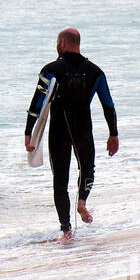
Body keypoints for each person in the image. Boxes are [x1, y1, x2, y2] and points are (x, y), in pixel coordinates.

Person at [24, 27, 118, 235]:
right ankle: (82, 201)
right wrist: (113, 133)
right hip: (83, 128)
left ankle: (66, 229)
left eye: (58, 43)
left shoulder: (51, 70)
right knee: (87, 168)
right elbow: (108, 105)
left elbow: (37, 102)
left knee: (60, 180)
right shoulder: (95, 72)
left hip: (59, 130)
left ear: (63, 44)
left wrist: (29, 131)